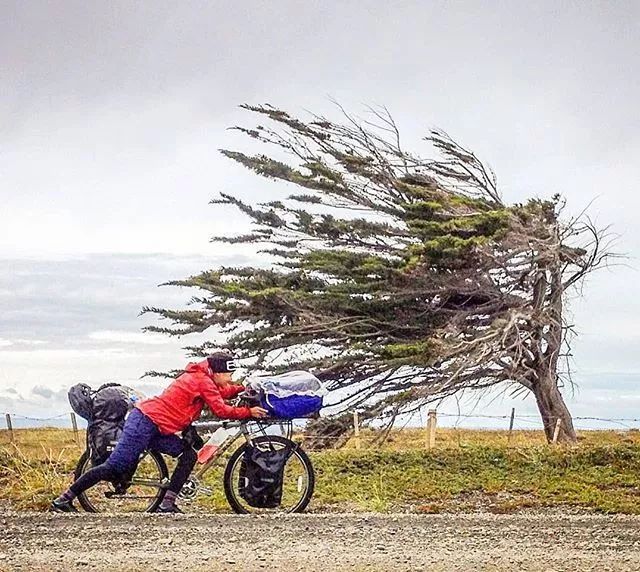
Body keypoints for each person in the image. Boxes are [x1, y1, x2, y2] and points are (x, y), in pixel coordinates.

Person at [51, 351, 267, 513]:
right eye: (229, 373)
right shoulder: (201, 380)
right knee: (114, 467)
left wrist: (242, 389)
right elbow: (221, 409)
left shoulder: (205, 379)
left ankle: (167, 503)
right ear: (217, 371)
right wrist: (248, 411)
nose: (230, 377)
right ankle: (64, 499)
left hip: (159, 426)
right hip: (144, 421)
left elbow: (225, 390)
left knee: (188, 454)